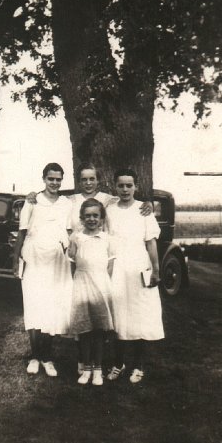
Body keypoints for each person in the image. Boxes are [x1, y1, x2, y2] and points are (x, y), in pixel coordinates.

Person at [26, 162, 153, 374]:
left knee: (100, 314)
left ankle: (98, 361)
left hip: (102, 261)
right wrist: (32, 194)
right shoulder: (71, 200)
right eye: (84, 179)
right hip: (78, 260)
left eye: (91, 179)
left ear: (98, 180)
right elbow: (48, 199)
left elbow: (129, 201)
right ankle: (82, 361)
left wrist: (147, 202)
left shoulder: (108, 199)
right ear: (79, 181)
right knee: (81, 312)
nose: (88, 183)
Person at [12, 163, 73, 377]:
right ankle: (35, 356)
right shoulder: (32, 201)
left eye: (58, 179)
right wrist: (15, 260)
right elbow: (21, 232)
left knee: (52, 307)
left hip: (57, 260)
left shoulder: (67, 203)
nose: (54, 183)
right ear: (44, 179)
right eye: (51, 179)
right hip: (34, 257)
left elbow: (69, 230)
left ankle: (47, 358)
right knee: (34, 305)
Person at [105, 168, 164, 384]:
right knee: (118, 315)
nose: (125, 189)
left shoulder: (143, 210)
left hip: (139, 266)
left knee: (139, 314)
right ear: (115, 186)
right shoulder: (109, 210)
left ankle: (139, 365)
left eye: (129, 185)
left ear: (136, 187)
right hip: (117, 267)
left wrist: (156, 270)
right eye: (121, 185)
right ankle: (118, 363)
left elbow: (150, 242)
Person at [68, 198, 115, 386]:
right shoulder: (76, 238)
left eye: (96, 215)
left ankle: (98, 369)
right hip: (81, 285)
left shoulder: (107, 239)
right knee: (85, 330)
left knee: (99, 330)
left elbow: (110, 266)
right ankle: (86, 368)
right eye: (87, 216)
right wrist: (79, 281)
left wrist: (103, 285)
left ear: (102, 218)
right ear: (81, 218)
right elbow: (72, 265)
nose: (92, 219)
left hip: (101, 286)